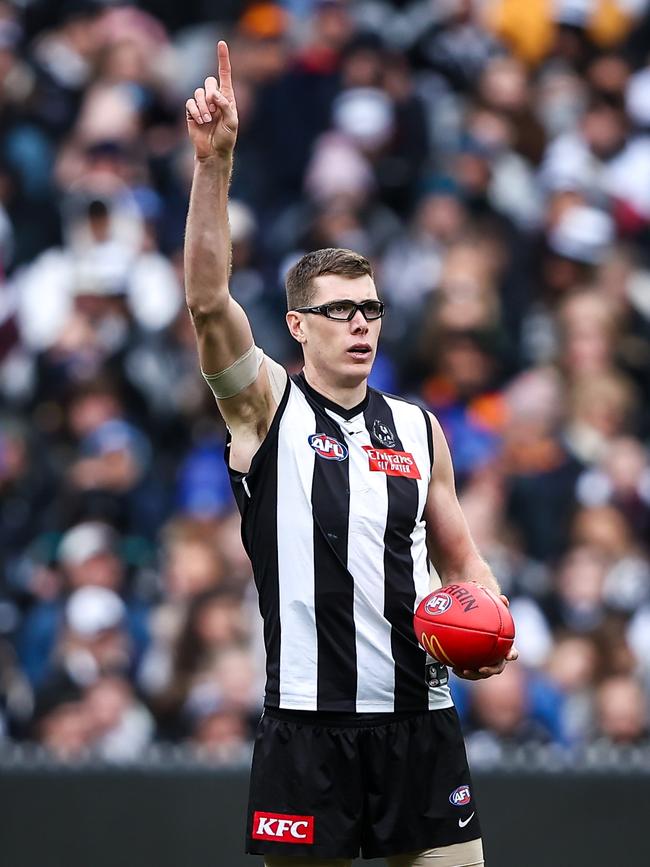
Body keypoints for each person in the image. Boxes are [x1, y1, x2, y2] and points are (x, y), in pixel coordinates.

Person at [184, 41, 518, 867]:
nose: (361, 323)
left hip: (420, 719)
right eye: (339, 311)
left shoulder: (418, 426)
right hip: (307, 726)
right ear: (297, 325)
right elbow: (205, 299)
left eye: (370, 307)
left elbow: (465, 558)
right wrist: (215, 165)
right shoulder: (266, 407)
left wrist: (491, 627)